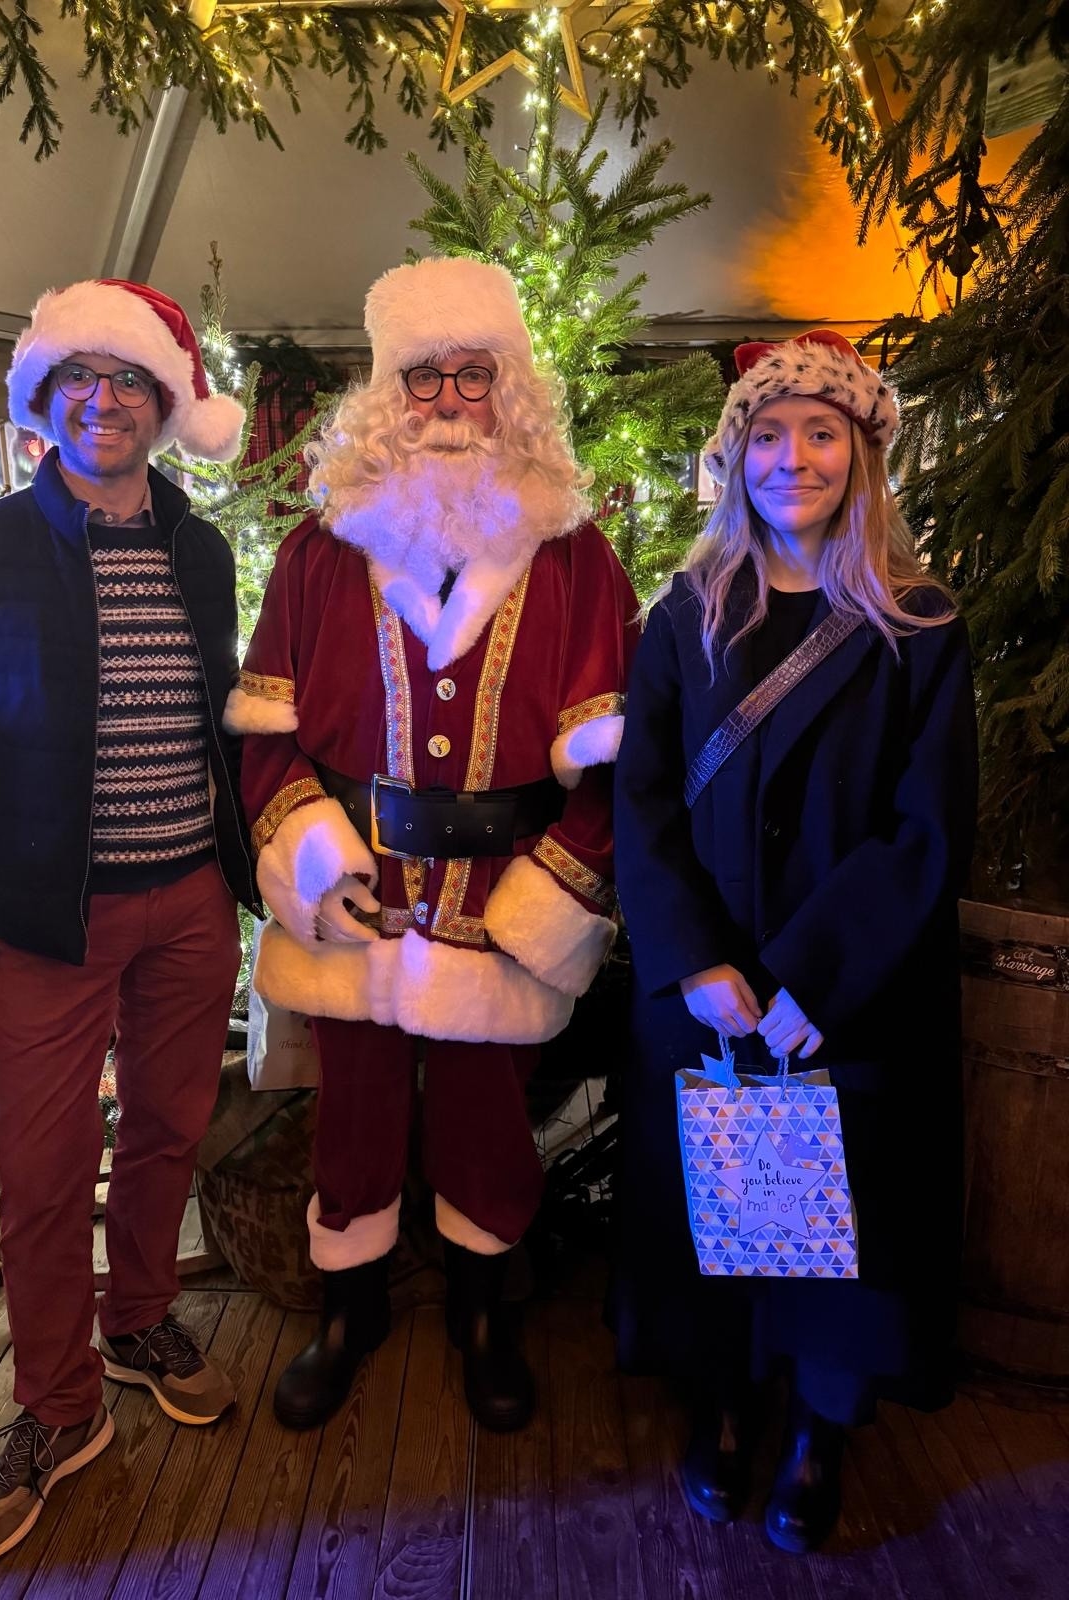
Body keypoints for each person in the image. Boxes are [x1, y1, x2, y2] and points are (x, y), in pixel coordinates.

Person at [228, 256, 637, 1434]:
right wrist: (313, 861)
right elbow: (266, 740)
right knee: (351, 1116)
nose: (450, 401)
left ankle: (481, 1316)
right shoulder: (320, 550)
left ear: (511, 391)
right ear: (387, 393)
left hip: (503, 897)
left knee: (486, 1120)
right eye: (425, 377)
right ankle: (348, 1312)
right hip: (357, 897)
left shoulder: (574, 554)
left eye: (474, 375)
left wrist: (554, 894)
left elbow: (620, 767)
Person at [0, 278, 259, 1565]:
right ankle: (57, 1404)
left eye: (132, 380)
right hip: (45, 917)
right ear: (46, 400)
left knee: (169, 1127)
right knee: (43, 1170)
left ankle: (140, 1317)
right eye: (82, 379)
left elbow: (222, 719)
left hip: (191, 902)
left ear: (167, 402)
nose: (106, 401)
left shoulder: (200, 550)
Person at [610, 330, 978, 1552]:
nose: (794, 458)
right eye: (767, 435)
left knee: (846, 1226)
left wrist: (820, 976)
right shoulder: (688, 614)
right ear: (735, 457)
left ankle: (821, 1429)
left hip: (853, 992)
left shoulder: (919, 623)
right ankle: (721, 1404)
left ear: (863, 453)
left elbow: (930, 823)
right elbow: (642, 798)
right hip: (707, 990)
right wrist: (691, 958)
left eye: (823, 432)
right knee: (715, 1203)